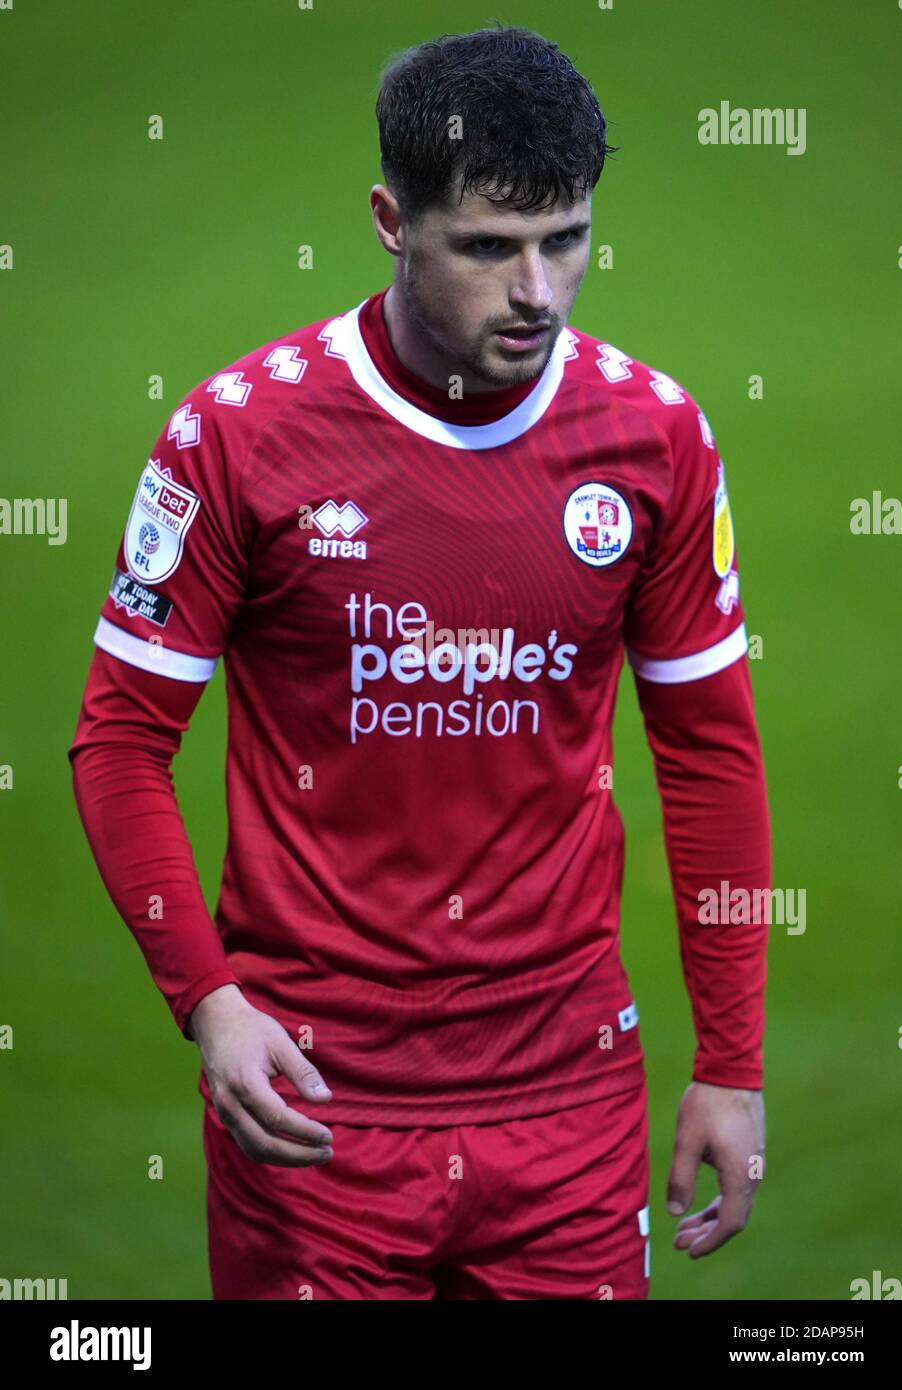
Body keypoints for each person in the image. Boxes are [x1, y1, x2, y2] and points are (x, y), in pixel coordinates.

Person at [69, 24, 770, 1300]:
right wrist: (209, 1001)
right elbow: (118, 742)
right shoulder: (236, 438)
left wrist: (729, 1059)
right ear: (391, 220)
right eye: (489, 249)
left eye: (565, 239)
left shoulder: (655, 438)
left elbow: (709, 751)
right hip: (316, 1102)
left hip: (570, 1099)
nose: (538, 294)